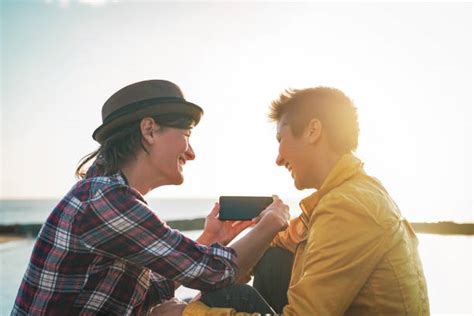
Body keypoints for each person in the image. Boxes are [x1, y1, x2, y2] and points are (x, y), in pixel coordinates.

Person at [12, 79, 290, 315]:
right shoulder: (104, 201)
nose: (191, 152)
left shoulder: (106, 196)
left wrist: (210, 240)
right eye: (186, 134)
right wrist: (272, 222)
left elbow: (144, 294)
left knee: (180, 307)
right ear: (149, 131)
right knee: (235, 298)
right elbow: (217, 272)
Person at [174, 86, 429, 315]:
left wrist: (188, 313)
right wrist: (235, 236)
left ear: (313, 131)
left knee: (231, 297)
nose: (278, 159)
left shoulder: (348, 206)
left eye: (280, 140)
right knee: (270, 257)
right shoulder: (347, 195)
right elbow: (279, 239)